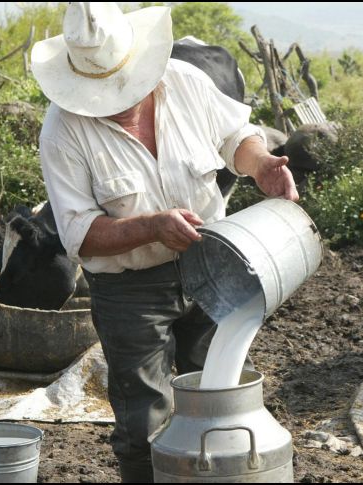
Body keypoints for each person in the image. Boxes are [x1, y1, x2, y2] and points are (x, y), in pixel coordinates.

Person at [30, 3, 298, 482]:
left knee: (225, 396)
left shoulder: (185, 81)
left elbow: (236, 134)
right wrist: (152, 227)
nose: (119, 97)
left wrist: (259, 164)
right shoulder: (63, 130)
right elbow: (80, 236)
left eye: (125, 83)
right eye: (103, 91)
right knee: (143, 422)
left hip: (213, 263)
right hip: (130, 290)